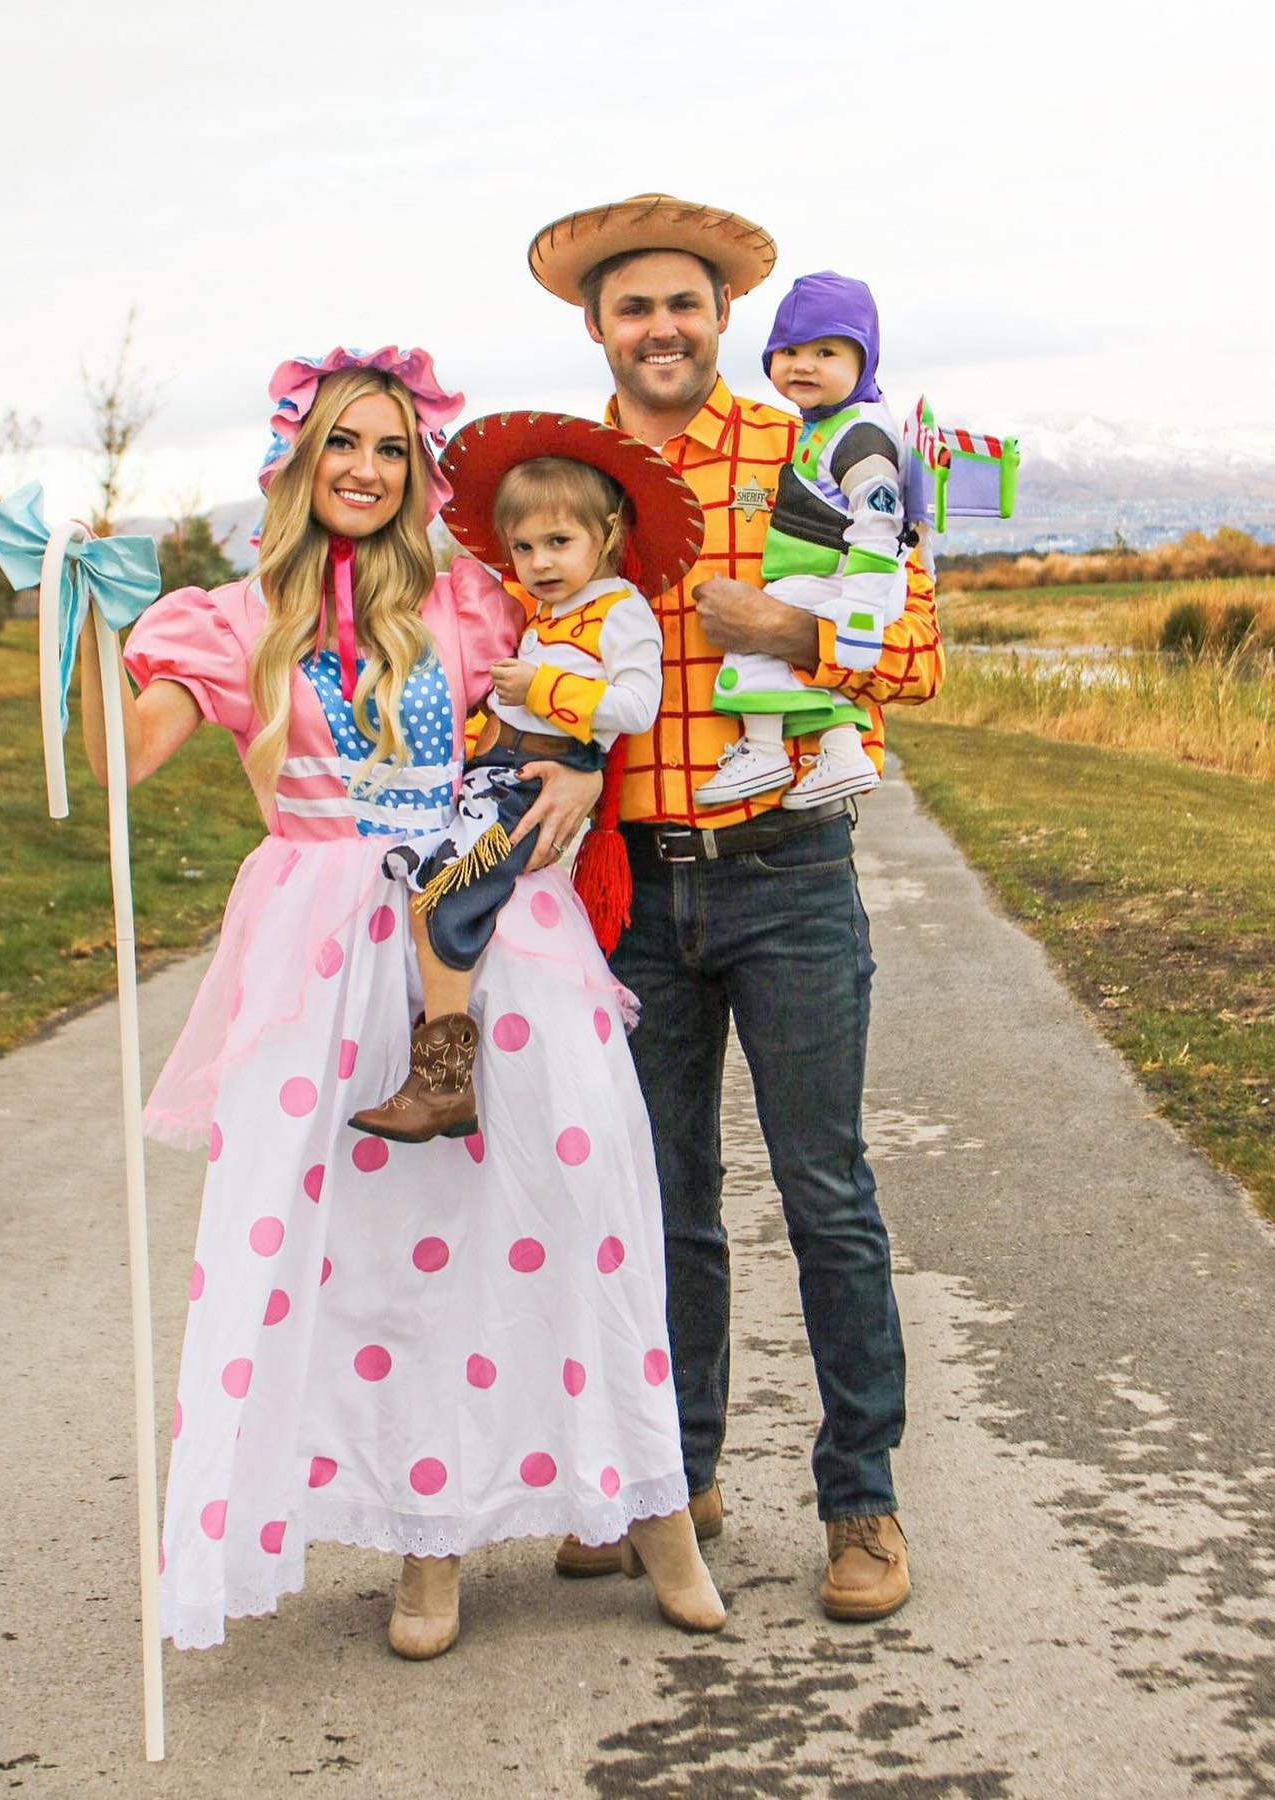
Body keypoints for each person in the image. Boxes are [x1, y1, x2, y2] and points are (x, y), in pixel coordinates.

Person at [82, 344, 723, 1659]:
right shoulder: (232, 615)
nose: (367, 470)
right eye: (342, 444)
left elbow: (573, 716)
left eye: (388, 447)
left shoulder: (476, 599)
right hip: (323, 957)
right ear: (297, 461)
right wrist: (90, 627)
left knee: (581, 1203)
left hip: (491, 930)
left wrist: (590, 779)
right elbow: (119, 761)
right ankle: (424, 1546)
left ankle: (654, 1508)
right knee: (390, 1255)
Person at [524, 195, 946, 1620]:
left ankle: (862, 1505)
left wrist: (795, 628)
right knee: (660, 1204)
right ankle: (675, 1487)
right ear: (598, 328)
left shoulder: (812, 447)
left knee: (827, 1192)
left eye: (685, 305)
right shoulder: (562, 484)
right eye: (632, 307)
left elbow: (923, 651)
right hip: (629, 892)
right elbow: (503, 646)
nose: (661, 328)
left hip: (787, 873)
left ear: (723, 321)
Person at [346, 413, 702, 1145]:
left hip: (536, 779)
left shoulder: (620, 612)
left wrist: (540, 687)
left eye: (559, 542)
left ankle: (443, 1081)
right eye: (524, 547)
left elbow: (634, 707)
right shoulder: (543, 616)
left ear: (605, 534)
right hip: (495, 771)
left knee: (444, 895)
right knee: (421, 885)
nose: (539, 562)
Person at [695, 270, 906, 811]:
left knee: (752, 639)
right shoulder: (825, 427)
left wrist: (859, 608)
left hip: (846, 577)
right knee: (803, 669)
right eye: (788, 350)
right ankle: (840, 752)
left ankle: (765, 749)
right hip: (829, 574)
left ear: (865, 360)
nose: (803, 364)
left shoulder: (860, 435)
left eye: (827, 351)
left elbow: (879, 521)